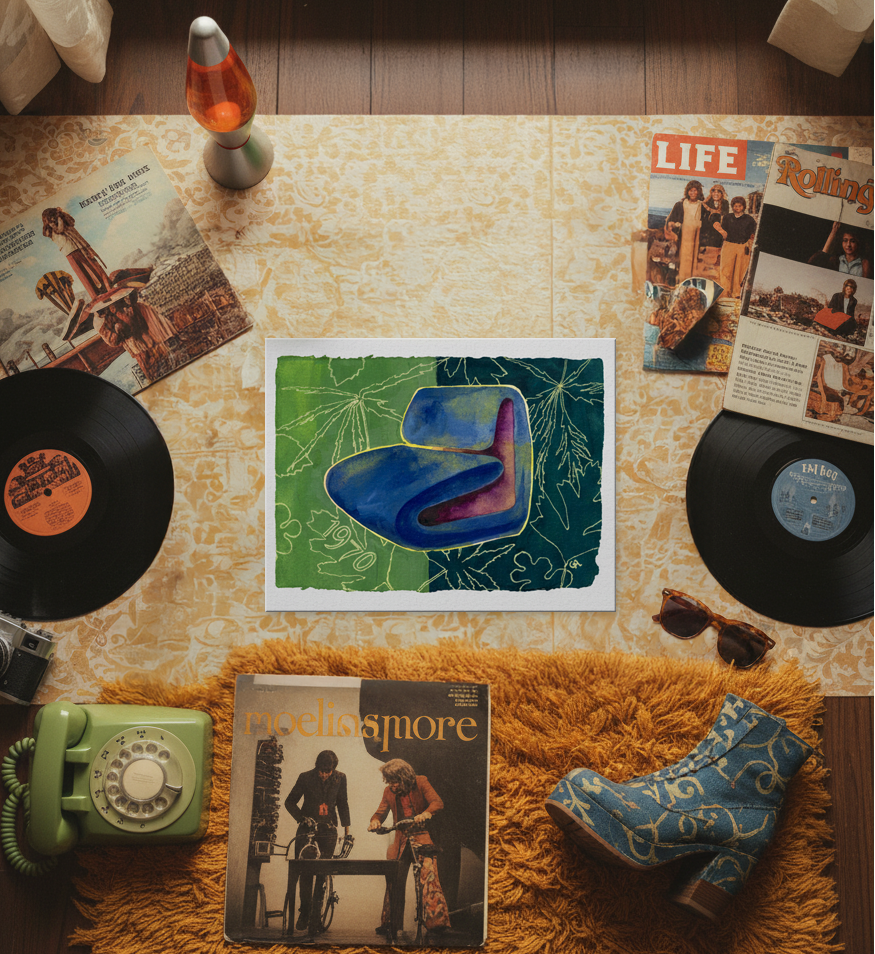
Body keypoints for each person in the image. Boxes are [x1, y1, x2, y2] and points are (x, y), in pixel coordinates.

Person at [368, 758, 450, 938]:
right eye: (389, 781)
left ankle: (436, 923)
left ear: (404, 778)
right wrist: (375, 821)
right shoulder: (388, 791)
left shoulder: (421, 782)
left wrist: (426, 813)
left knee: (428, 877)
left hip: (422, 837)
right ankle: (391, 923)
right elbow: (379, 813)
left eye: (394, 781)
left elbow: (437, 802)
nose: (391, 785)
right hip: (400, 841)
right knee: (394, 880)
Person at [284, 750, 350, 932]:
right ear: (316, 767)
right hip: (307, 830)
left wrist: (347, 832)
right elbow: (289, 802)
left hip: (329, 831)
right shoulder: (305, 777)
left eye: (328, 772)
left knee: (322, 873)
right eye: (321, 771)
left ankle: (316, 918)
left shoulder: (340, 778)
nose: (324, 775)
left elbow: (343, 804)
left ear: (333, 769)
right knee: (305, 872)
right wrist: (301, 818)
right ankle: (304, 913)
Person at [41, 207, 111, 300]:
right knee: (83, 274)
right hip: (70, 251)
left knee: (93, 268)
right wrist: (58, 218)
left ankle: (105, 288)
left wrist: (62, 214)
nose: (53, 218)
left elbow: (72, 221)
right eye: (51, 216)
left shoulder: (63, 220)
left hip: (80, 247)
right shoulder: (49, 229)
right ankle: (95, 296)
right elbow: (60, 230)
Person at [714, 196, 757, 298]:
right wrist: (719, 230)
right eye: (735, 206)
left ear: (743, 207)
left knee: (739, 272)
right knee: (725, 270)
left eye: (739, 206)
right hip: (728, 245)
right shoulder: (727, 218)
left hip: (742, 246)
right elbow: (724, 234)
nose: (737, 208)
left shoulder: (749, 220)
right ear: (732, 206)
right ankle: (725, 292)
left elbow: (754, 234)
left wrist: (749, 245)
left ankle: (736, 293)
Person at [664, 180, 703, 282]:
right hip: (684, 233)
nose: (693, 193)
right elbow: (671, 219)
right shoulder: (680, 204)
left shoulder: (702, 205)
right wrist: (674, 225)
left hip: (697, 234)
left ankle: (692, 281)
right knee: (684, 257)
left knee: (695, 259)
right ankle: (682, 280)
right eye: (691, 191)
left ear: (699, 192)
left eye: (695, 191)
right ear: (687, 192)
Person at [699, 183, 729, 265]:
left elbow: (725, 216)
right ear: (711, 193)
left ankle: (716, 260)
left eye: (718, 192)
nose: (716, 194)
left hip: (719, 228)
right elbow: (701, 217)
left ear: (722, 194)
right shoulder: (706, 203)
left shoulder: (725, 203)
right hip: (707, 228)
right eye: (714, 192)